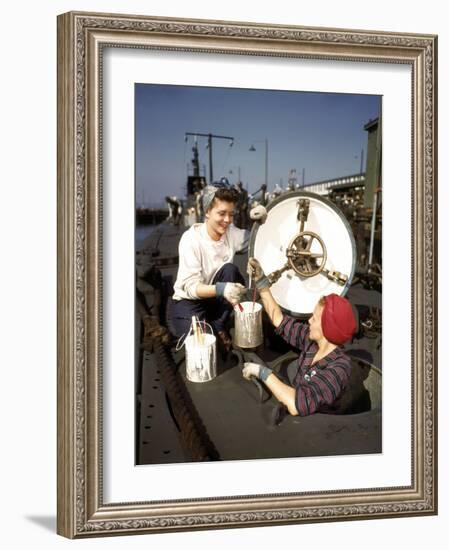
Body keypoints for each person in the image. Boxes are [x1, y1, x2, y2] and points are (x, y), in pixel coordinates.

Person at [243, 257, 357, 417]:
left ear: (328, 329)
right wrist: (261, 283)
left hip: (318, 430)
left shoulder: (339, 369)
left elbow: (299, 405)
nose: (309, 320)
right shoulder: (313, 342)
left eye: (315, 319)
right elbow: (278, 319)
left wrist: (264, 373)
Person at [171, 183, 249, 351]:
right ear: (207, 211)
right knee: (204, 346)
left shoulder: (231, 232)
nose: (227, 220)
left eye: (231, 214)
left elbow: (257, 238)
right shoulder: (191, 240)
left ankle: (218, 323)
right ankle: (211, 326)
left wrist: (261, 220)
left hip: (214, 299)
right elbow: (191, 288)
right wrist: (222, 289)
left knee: (230, 270)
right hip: (189, 302)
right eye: (221, 214)